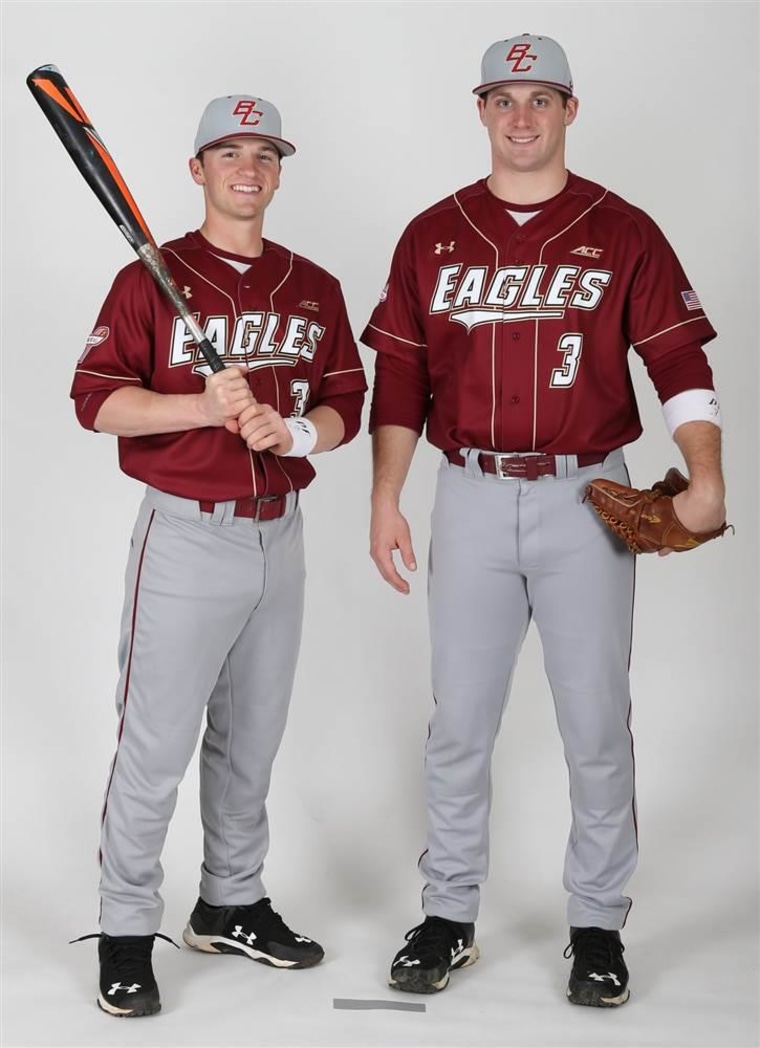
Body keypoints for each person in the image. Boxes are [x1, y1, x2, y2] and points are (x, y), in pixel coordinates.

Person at [361, 34, 726, 1007]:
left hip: (590, 495)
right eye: (503, 97)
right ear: (480, 110)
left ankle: (597, 925)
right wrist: (386, 495)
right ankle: (447, 915)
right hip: (470, 492)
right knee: (459, 724)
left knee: (596, 721)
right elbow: (398, 376)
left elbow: (679, 361)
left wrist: (704, 471)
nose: (521, 116)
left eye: (541, 97)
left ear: (570, 110)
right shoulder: (431, 234)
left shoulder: (622, 229)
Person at [70, 93, 367, 1017]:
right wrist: (199, 408)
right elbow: (96, 399)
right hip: (188, 535)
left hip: (280, 533)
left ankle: (230, 902)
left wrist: (296, 434)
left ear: (279, 171)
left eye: (266, 154)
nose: (250, 168)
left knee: (253, 740)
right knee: (155, 743)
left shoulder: (314, 285)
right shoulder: (150, 278)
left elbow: (347, 403)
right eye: (229, 152)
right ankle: (126, 929)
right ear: (198, 170)